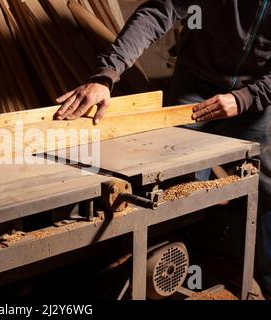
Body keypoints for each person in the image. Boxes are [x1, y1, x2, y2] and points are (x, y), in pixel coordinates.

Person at [55, 0, 271, 297]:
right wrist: (107, 75)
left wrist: (245, 98)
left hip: (256, 92)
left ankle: (266, 279)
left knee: (264, 187)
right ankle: (172, 266)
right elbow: (160, 10)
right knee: (173, 179)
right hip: (197, 82)